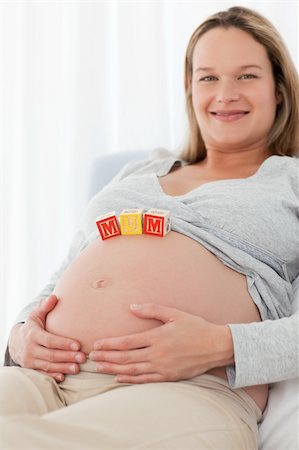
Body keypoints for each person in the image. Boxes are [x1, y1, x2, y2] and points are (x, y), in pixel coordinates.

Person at [1, 5, 298, 449]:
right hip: (45, 380)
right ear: (190, 88)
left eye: (247, 76)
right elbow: (63, 273)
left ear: (278, 88)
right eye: (209, 77)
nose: (226, 93)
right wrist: (22, 334)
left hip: (186, 390)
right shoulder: (137, 173)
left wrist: (224, 345)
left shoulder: (289, 180)